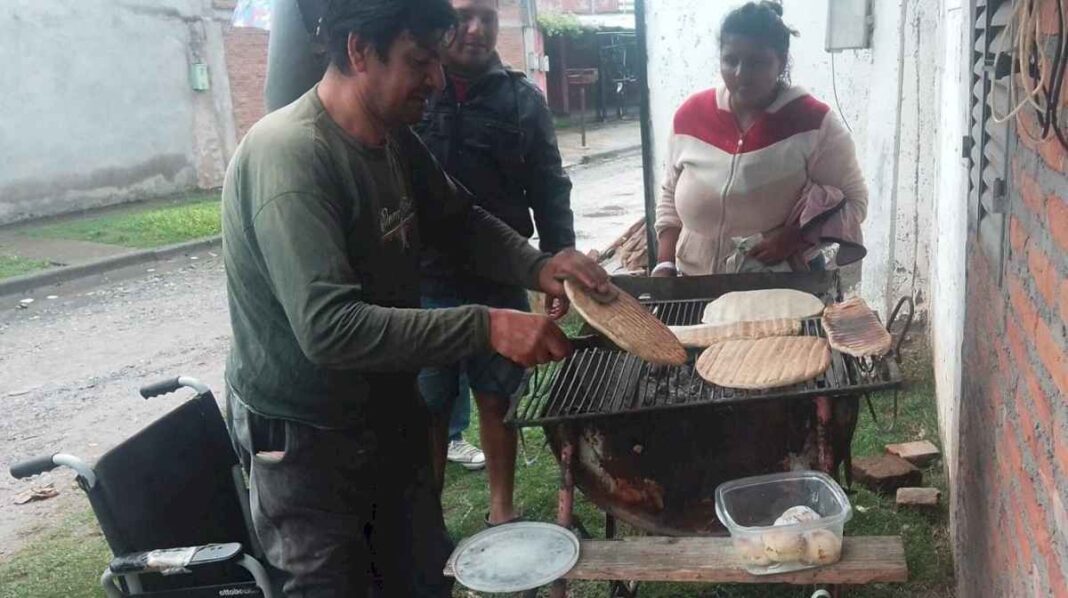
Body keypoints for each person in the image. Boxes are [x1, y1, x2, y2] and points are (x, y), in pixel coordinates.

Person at [221, 0, 610, 594]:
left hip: (385, 411)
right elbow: (329, 329)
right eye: (419, 61)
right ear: (358, 52)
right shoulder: (292, 158)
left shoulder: (392, 138)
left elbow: (459, 221)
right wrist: (487, 325)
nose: (435, 78)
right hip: (308, 443)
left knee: (422, 575)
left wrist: (540, 267)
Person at [414, 0, 574, 523]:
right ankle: (428, 516)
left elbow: (550, 187)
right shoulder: (415, 92)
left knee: (496, 397)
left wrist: (556, 262)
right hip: (425, 278)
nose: (476, 29)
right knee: (430, 403)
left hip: (501, 276)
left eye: (487, 16)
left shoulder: (522, 100)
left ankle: (500, 510)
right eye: (463, 16)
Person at [654, 1, 868, 277]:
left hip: (778, 282)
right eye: (731, 60)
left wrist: (796, 238)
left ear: (781, 60)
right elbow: (670, 192)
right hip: (694, 280)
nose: (741, 74)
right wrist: (665, 262)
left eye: (757, 62)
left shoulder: (813, 122)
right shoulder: (690, 115)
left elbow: (855, 202)